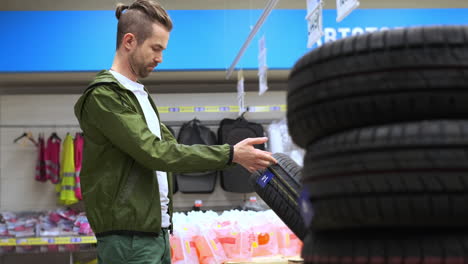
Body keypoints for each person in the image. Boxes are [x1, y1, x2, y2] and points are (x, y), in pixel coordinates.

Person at [73, 1, 277, 263]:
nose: (160, 58)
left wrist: (231, 155)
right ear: (129, 41)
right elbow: (155, 152)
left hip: (155, 232)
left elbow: (174, 150)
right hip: (128, 239)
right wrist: (230, 155)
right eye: (155, 48)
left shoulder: (140, 96)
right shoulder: (104, 96)